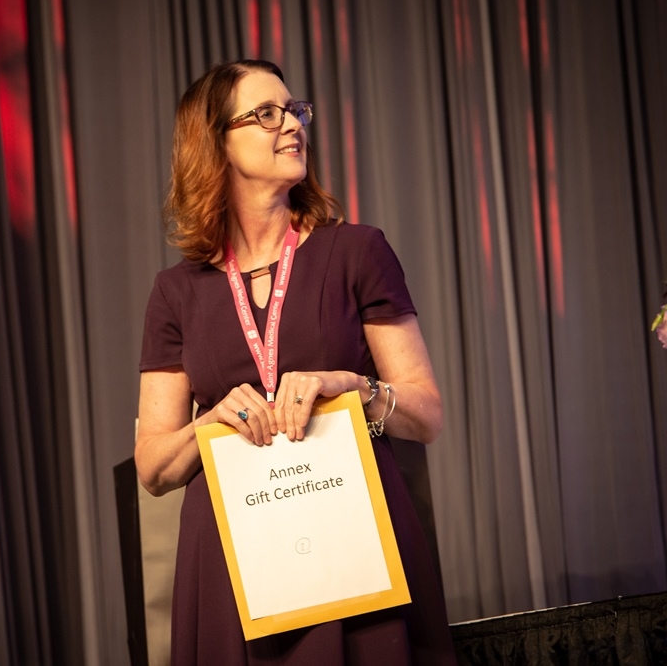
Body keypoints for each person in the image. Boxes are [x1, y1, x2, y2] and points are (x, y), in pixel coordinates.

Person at [135, 59, 457, 665]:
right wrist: (211, 422)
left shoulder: (358, 251)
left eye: (294, 110)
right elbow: (152, 468)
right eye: (266, 114)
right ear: (215, 143)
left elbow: (427, 415)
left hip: (352, 544)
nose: (292, 125)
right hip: (233, 562)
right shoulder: (175, 292)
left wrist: (353, 386)